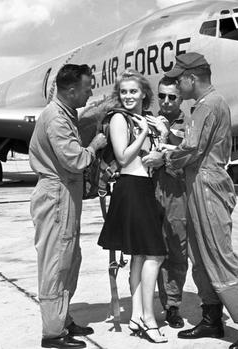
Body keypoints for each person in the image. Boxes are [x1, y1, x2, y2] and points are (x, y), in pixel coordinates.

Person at [161, 53, 238, 349]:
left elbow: (191, 149)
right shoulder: (205, 105)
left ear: (192, 79)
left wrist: (165, 155)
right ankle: (211, 317)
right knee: (199, 253)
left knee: (218, 253)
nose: (175, 84)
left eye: (178, 78)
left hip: (207, 184)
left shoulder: (209, 106)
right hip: (197, 182)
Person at [29, 64, 108, 349]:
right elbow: (74, 160)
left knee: (70, 260)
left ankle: (62, 319)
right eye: (87, 88)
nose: (90, 93)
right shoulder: (56, 120)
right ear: (71, 90)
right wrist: (95, 145)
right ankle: (52, 334)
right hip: (56, 196)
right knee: (56, 264)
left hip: (66, 194)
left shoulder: (66, 114)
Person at [97, 69, 168, 344]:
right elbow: (123, 157)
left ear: (144, 94)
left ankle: (137, 316)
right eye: (124, 91)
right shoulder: (118, 119)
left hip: (145, 188)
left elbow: (153, 155)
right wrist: (143, 133)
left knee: (140, 256)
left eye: (133, 91)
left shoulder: (144, 119)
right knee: (154, 255)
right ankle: (150, 319)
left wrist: (159, 136)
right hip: (130, 188)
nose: (128, 96)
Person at [142, 76, 188, 329]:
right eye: (162, 96)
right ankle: (143, 307)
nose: (166, 101)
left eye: (172, 97)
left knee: (177, 254)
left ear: (181, 99)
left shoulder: (190, 124)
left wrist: (166, 144)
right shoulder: (145, 122)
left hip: (176, 196)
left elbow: (189, 163)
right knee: (145, 253)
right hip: (147, 195)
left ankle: (172, 305)